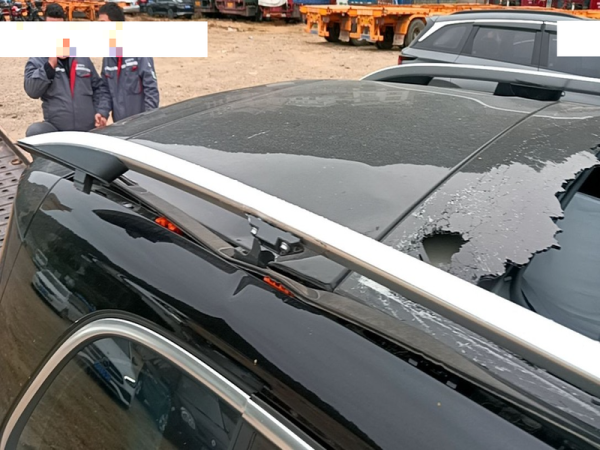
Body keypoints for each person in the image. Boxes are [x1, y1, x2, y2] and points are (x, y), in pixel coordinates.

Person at [24, 4, 111, 137]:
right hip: (58, 132)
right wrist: (49, 65)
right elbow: (32, 90)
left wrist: (102, 112)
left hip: (88, 130)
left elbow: (99, 88)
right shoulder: (39, 58)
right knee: (35, 131)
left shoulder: (81, 57)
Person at [99, 3, 159, 123]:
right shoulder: (108, 58)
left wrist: (149, 120)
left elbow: (151, 88)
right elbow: (106, 90)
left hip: (141, 124)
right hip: (121, 125)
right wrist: (102, 113)